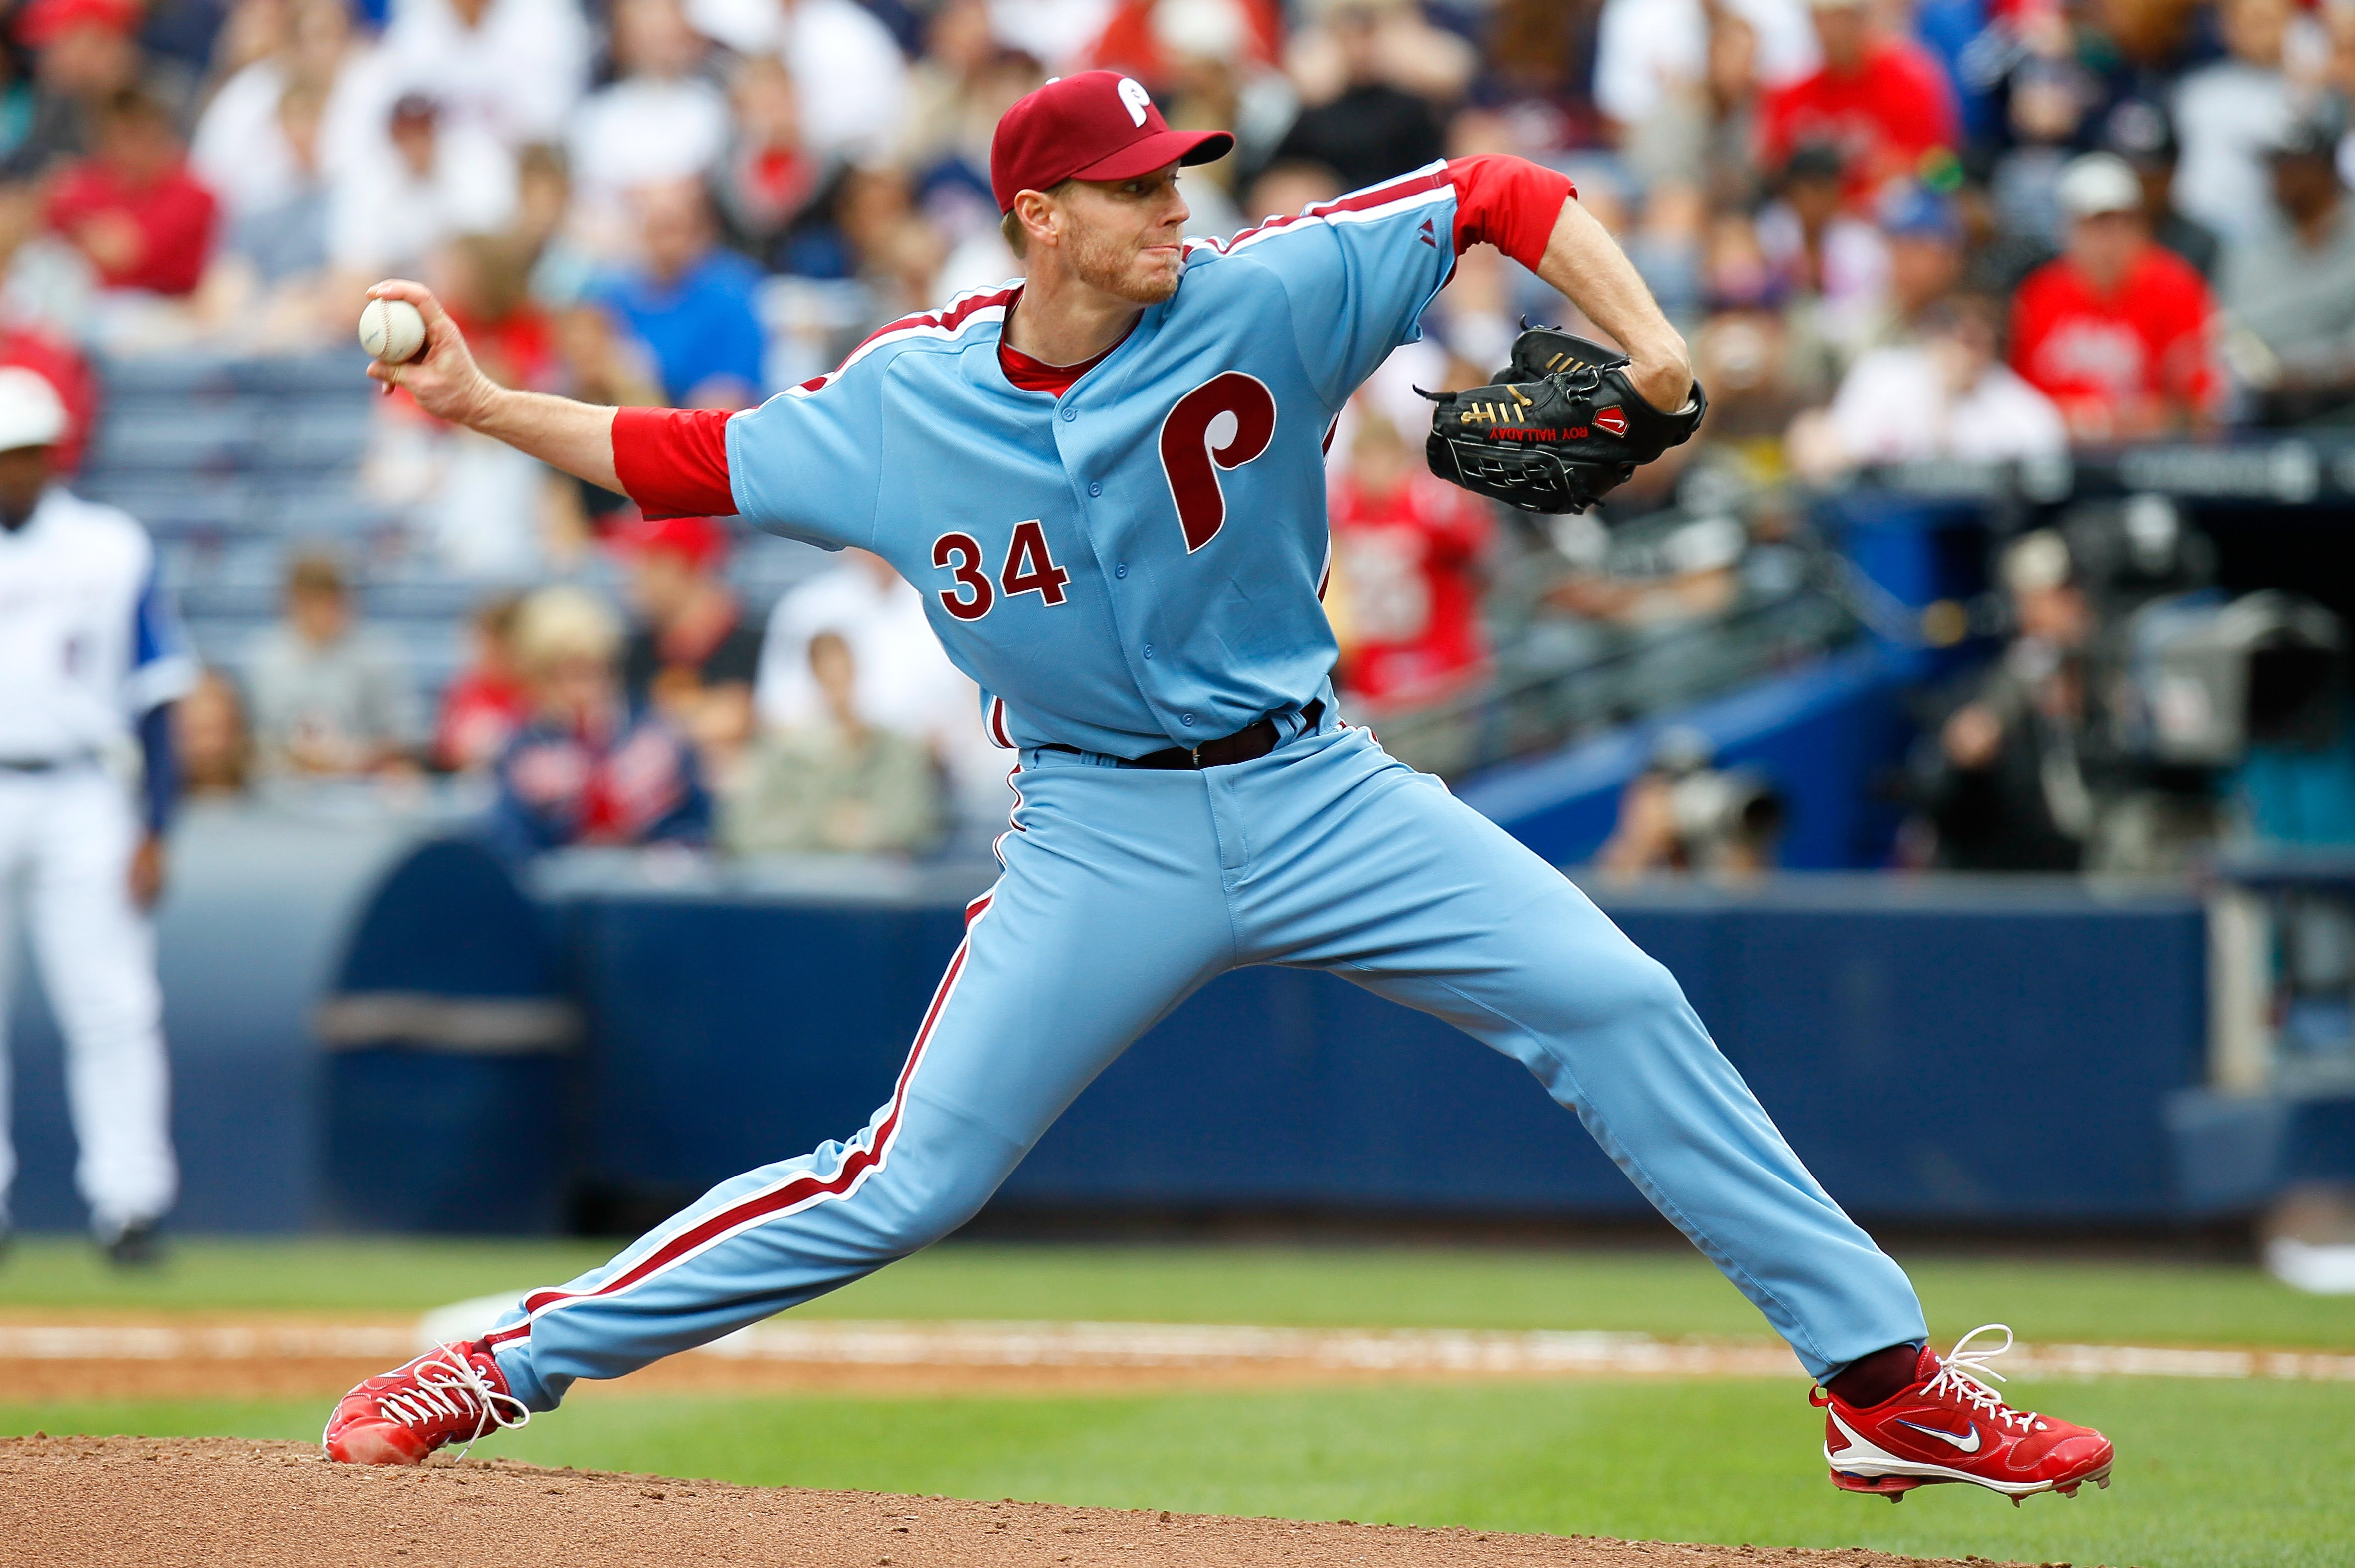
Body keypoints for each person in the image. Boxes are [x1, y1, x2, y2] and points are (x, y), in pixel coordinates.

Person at [326, 71, 2116, 1507]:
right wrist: (484, 404)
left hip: (1326, 789)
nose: (1176, 202)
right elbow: (670, 456)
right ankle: (504, 1360)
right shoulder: (902, 407)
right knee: (902, 1176)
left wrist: (1653, 351)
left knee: (1620, 995)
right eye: (1135, 185)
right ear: (1041, 214)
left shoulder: (1269, 285)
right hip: (1100, 829)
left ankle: (1883, 1387)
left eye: (1179, 172)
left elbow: (1494, 189)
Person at [0, 365, 193, 1264]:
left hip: (84, 786)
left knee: (113, 1000)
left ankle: (131, 1201)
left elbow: (157, 691)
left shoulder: (108, 544)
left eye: (30, 451)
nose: (18, 468)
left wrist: (157, 821)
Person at [481, 584, 709, 858]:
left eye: (590, 672)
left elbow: (695, 825)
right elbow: (513, 842)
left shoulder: (656, 736)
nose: (580, 691)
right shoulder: (523, 749)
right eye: (560, 676)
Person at [2009, 152, 2217, 442]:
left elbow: (2195, 410)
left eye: (2123, 223)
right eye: (2096, 225)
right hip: (2057, 458)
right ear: (2068, 229)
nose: (2110, 239)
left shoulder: (2175, 287)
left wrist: (2098, 422)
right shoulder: (2041, 293)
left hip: (2150, 461)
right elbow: (2019, 407)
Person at [1325, 405, 1491, 710]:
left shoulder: (1428, 503)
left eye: (1383, 458)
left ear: (1400, 458)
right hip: (1374, 670)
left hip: (1442, 661)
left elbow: (1477, 547)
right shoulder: (1342, 512)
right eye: (1366, 460)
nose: (1375, 471)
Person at [725, 629, 945, 854]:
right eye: (828, 676)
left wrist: (864, 829)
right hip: (801, 878)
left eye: (843, 673)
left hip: (876, 878)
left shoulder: (897, 750)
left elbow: (914, 823)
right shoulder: (782, 754)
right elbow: (746, 833)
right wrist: (822, 827)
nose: (838, 688)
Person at [2219, 116, 2355, 425]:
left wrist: (2318, 373)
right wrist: (2270, 373)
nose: (2279, 177)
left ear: (2325, 170)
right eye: (2275, 166)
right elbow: (2234, 331)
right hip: (2269, 410)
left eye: (2292, 166)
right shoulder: (2252, 244)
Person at [1755, 0, 1958, 207]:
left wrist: (1911, 168)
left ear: (1862, 19)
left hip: (1897, 217)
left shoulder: (1913, 79)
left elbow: (1948, 169)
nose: (1832, 30)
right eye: (1822, 19)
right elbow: (1773, 170)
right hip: (1818, 220)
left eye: (1841, 18)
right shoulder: (1792, 92)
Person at [244, 549, 423, 775]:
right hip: (282, 787)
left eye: (328, 599)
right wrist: (295, 759)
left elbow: (402, 737)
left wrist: (355, 756)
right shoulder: (264, 658)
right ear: (291, 603)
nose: (320, 612)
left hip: (361, 785)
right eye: (310, 601)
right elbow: (251, 740)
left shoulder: (377, 655)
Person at [590, 178, 765, 408]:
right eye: (654, 230)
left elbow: (732, 394)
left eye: (673, 230)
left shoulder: (733, 293)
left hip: (697, 428)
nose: (664, 244)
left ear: (700, 231)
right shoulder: (615, 295)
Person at [609, 510, 762, 769]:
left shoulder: (750, 641)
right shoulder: (638, 650)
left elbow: (740, 719)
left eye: (650, 564)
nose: (634, 578)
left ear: (688, 566)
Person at [42, 87, 217, 296]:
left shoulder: (194, 195)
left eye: (138, 136)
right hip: (91, 302)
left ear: (164, 136)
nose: (126, 149)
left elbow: (124, 254)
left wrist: (81, 234)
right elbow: (41, 216)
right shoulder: (91, 179)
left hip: (164, 308)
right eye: (116, 137)